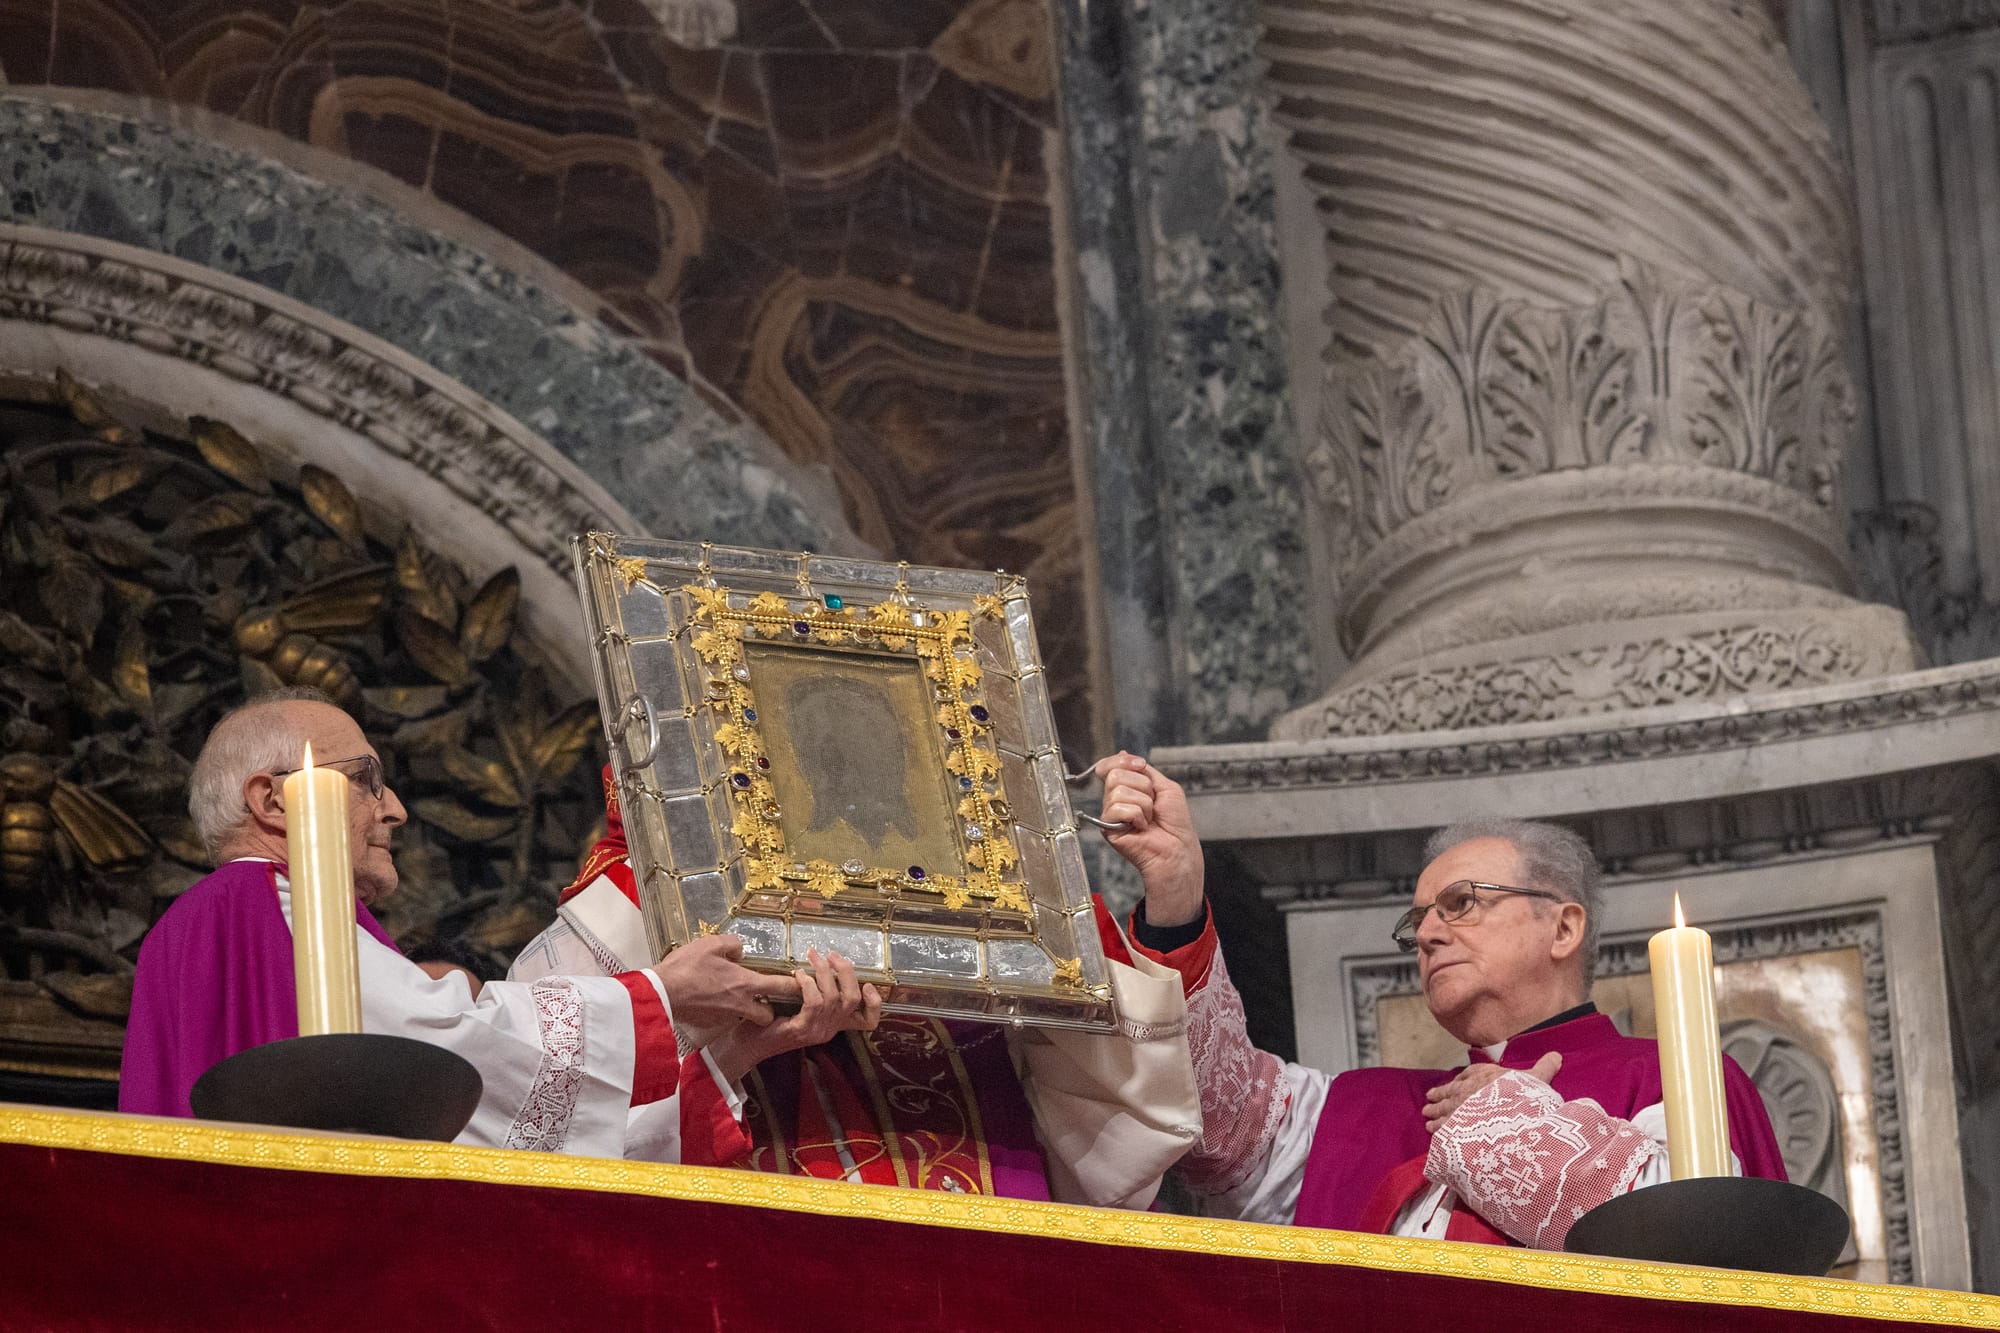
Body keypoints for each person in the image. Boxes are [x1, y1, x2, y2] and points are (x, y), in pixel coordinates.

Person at [119, 687, 851, 1160]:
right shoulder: (260, 900)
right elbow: (443, 1048)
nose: (394, 808)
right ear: (272, 803)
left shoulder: (190, 935)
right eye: (366, 780)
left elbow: (470, 1139)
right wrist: (658, 998)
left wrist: (734, 1056)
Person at [1094, 754, 1787, 1248]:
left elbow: (1696, 1251)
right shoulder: (1361, 1109)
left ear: (1564, 927)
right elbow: (1211, 1119)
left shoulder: (1679, 1079)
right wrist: (1178, 894)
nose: (1426, 932)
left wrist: (1507, 1119)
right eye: (1418, 919)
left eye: (1460, 903)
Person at [508, 766, 1202, 1206]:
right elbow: (553, 1143)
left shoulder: (975, 947)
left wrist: (1172, 898)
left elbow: (1130, 1134)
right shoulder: (619, 932)